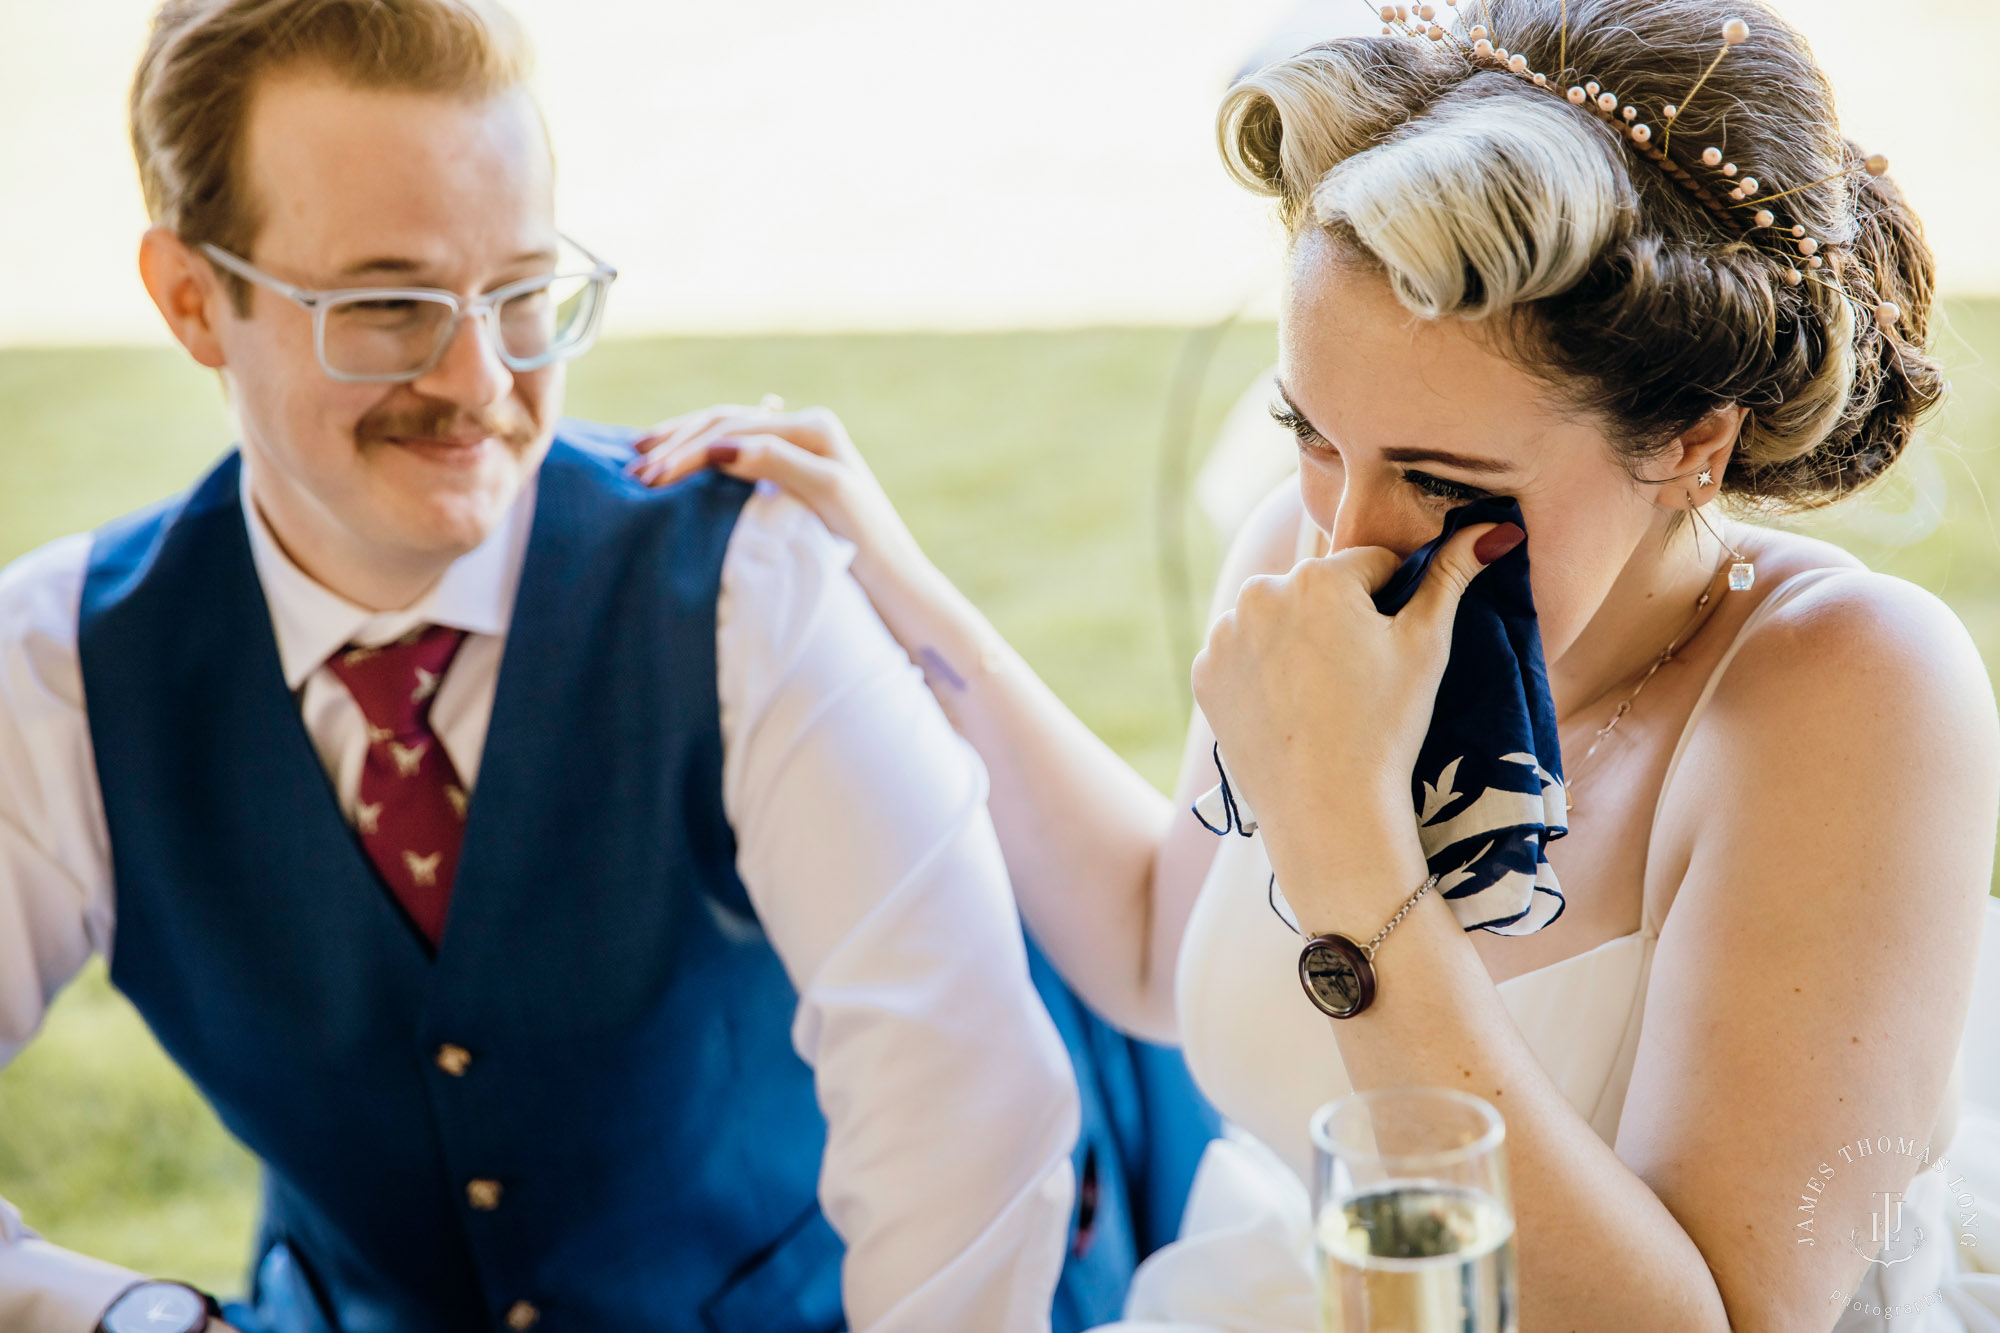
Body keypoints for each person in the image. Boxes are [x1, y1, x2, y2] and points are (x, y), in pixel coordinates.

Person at [631, 0, 2000, 1326]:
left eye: (1439, 476)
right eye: (1312, 428)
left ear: (1692, 446)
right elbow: (1155, 955)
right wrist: (893, 575)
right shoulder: (1316, 538)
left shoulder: (1856, 689)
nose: (1344, 535)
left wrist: (1352, 851)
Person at [0, 1, 1217, 1329]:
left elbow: (959, 1105)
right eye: (391, 304)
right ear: (191, 299)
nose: (480, 379)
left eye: (522, 293)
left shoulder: (745, 584)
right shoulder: (61, 674)